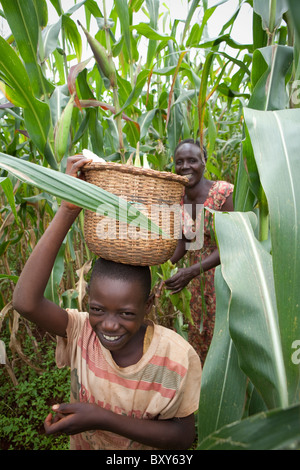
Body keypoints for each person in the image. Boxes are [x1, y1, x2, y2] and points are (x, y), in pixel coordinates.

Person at [12, 155, 202, 451]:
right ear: (86, 298)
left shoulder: (176, 357)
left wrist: (100, 418)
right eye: (97, 309)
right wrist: (68, 208)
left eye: (126, 313)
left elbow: (181, 438)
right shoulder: (81, 331)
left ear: (149, 304)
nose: (109, 325)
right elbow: (25, 303)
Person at [165, 139, 234, 365]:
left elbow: (234, 245)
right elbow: (185, 242)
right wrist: (160, 264)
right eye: (179, 162)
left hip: (227, 284)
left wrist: (191, 272)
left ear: (204, 162)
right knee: (201, 341)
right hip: (196, 287)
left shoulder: (222, 193)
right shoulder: (179, 198)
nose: (185, 166)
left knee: (225, 345)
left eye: (192, 160)